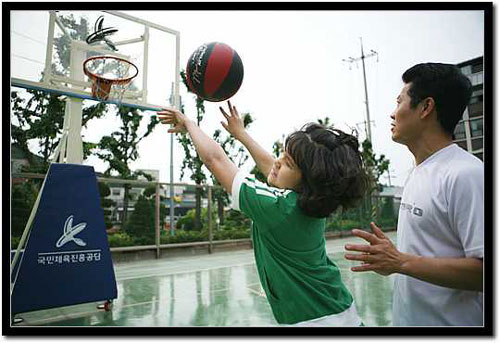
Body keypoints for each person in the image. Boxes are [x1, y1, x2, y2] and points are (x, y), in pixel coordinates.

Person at [158, 101, 369, 326]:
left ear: (307, 181)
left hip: (314, 320)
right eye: (283, 154)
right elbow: (274, 168)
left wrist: (190, 123)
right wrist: (241, 134)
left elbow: (215, 160)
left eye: (287, 162)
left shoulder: (278, 209)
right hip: (340, 312)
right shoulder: (311, 204)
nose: (277, 162)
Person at [344, 62, 483, 326]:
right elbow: (425, 257)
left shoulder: (467, 175)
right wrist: (393, 261)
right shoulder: (418, 172)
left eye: (400, 102)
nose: (393, 113)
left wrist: (401, 261)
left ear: (426, 108)